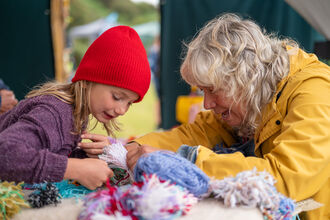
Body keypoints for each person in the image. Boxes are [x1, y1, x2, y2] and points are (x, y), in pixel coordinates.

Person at [122, 14, 329, 219]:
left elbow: (285, 179)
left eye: (212, 89)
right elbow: (198, 133)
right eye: (203, 91)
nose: (206, 103)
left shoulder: (316, 94)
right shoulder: (254, 95)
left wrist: (188, 161)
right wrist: (128, 150)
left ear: (245, 78)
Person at [0, 25, 151, 190]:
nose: (122, 110)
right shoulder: (54, 112)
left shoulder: (75, 113)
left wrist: (90, 156)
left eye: (129, 103)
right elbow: (5, 155)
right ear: (88, 81)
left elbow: (52, 149)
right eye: (117, 97)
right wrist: (75, 168)